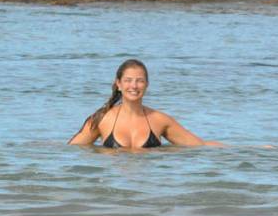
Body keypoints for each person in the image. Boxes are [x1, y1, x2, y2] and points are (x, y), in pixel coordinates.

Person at [68, 59, 225, 149]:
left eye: (140, 81)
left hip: (149, 190)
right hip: (113, 196)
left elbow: (199, 146)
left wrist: (240, 151)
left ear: (147, 84)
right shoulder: (103, 119)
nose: (134, 86)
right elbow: (70, 150)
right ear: (119, 84)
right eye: (128, 80)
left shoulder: (159, 120)